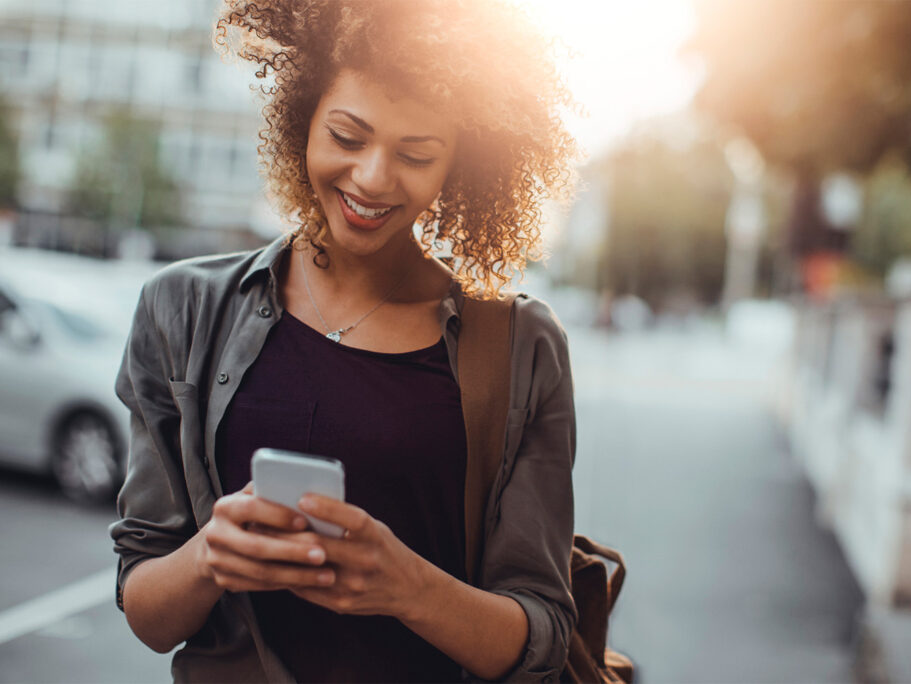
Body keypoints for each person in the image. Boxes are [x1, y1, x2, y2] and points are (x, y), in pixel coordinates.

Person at [108, 1, 579, 681]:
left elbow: (542, 637)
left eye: (416, 154)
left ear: (462, 164)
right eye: (348, 136)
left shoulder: (521, 347)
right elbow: (149, 614)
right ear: (302, 120)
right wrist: (212, 555)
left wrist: (408, 587)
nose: (373, 178)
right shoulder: (179, 310)